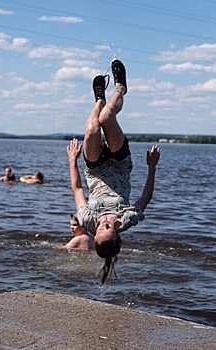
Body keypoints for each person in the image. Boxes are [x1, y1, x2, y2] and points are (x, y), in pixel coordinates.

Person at [67, 59, 160, 284]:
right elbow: (145, 197)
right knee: (107, 117)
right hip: (119, 164)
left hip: (95, 169)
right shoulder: (127, 219)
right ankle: (120, 87)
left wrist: (72, 161)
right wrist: (152, 167)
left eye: (102, 228)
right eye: (109, 227)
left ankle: (99, 97)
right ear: (117, 234)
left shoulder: (88, 220)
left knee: (92, 128)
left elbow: (78, 188)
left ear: (94, 234)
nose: (105, 223)